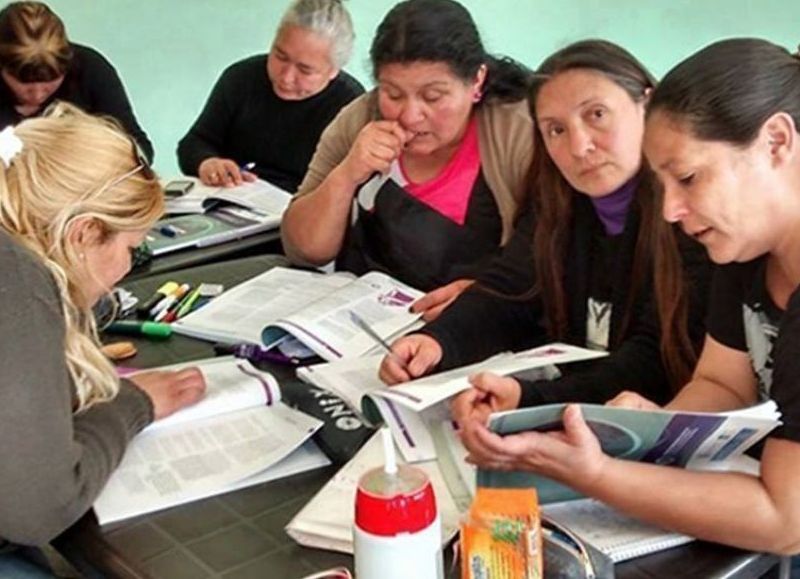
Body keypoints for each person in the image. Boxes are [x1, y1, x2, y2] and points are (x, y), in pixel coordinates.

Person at [456, 38, 800, 557]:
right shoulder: (746, 249)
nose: (671, 212)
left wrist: (600, 475)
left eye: (687, 178)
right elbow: (720, 382)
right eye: (664, 187)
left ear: (775, 142)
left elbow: (785, 520)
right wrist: (652, 437)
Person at [381, 40, 709, 409]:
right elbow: (509, 291)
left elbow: (652, 362)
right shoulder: (560, 203)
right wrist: (438, 342)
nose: (579, 146)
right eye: (555, 130)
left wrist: (532, 401)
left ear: (646, 105)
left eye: (597, 114)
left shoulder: (689, 213)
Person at [0, 104, 206, 575]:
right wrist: (132, 405)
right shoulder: (19, 283)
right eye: (130, 250)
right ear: (83, 232)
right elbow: (39, 507)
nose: (124, 272)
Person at [281, 0, 534, 306]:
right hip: (366, 319)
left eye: (433, 96)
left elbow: (555, 259)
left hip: (477, 326)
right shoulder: (360, 118)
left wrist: (488, 296)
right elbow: (304, 248)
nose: (411, 115)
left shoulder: (519, 132)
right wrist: (347, 174)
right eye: (393, 94)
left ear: (477, 80)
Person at [177, 0, 364, 192]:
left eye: (304, 70)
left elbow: (348, 186)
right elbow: (195, 141)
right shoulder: (242, 78)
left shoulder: (351, 107)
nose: (286, 77)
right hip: (228, 199)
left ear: (333, 70)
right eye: (280, 56)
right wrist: (207, 162)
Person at [0, 1, 153, 162]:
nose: (38, 95)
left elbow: (139, 151)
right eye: (25, 83)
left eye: (51, 80)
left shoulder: (90, 70)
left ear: (68, 65)